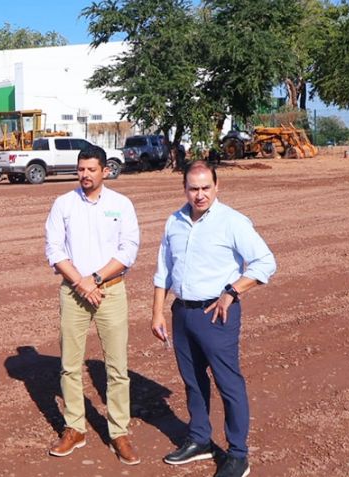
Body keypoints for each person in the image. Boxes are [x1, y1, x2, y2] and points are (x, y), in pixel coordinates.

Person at [151, 161, 276, 477]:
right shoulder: (174, 222)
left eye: (206, 188)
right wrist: (157, 312)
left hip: (217, 314)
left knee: (228, 383)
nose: (200, 195)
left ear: (216, 187)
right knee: (193, 381)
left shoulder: (232, 222)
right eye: (193, 188)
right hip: (182, 312)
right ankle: (199, 439)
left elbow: (265, 263)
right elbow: (164, 271)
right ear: (185, 189)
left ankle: (238, 454)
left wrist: (232, 291)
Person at [44, 145, 141, 465]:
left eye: (91, 170)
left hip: (110, 291)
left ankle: (118, 431)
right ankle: (75, 428)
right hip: (74, 292)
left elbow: (129, 249)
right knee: (70, 365)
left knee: (116, 367)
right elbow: (54, 249)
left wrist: (96, 279)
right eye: (81, 169)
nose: (85, 175)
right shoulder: (63, 204)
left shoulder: (121, 204)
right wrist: (82, 283)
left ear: (105, 171)